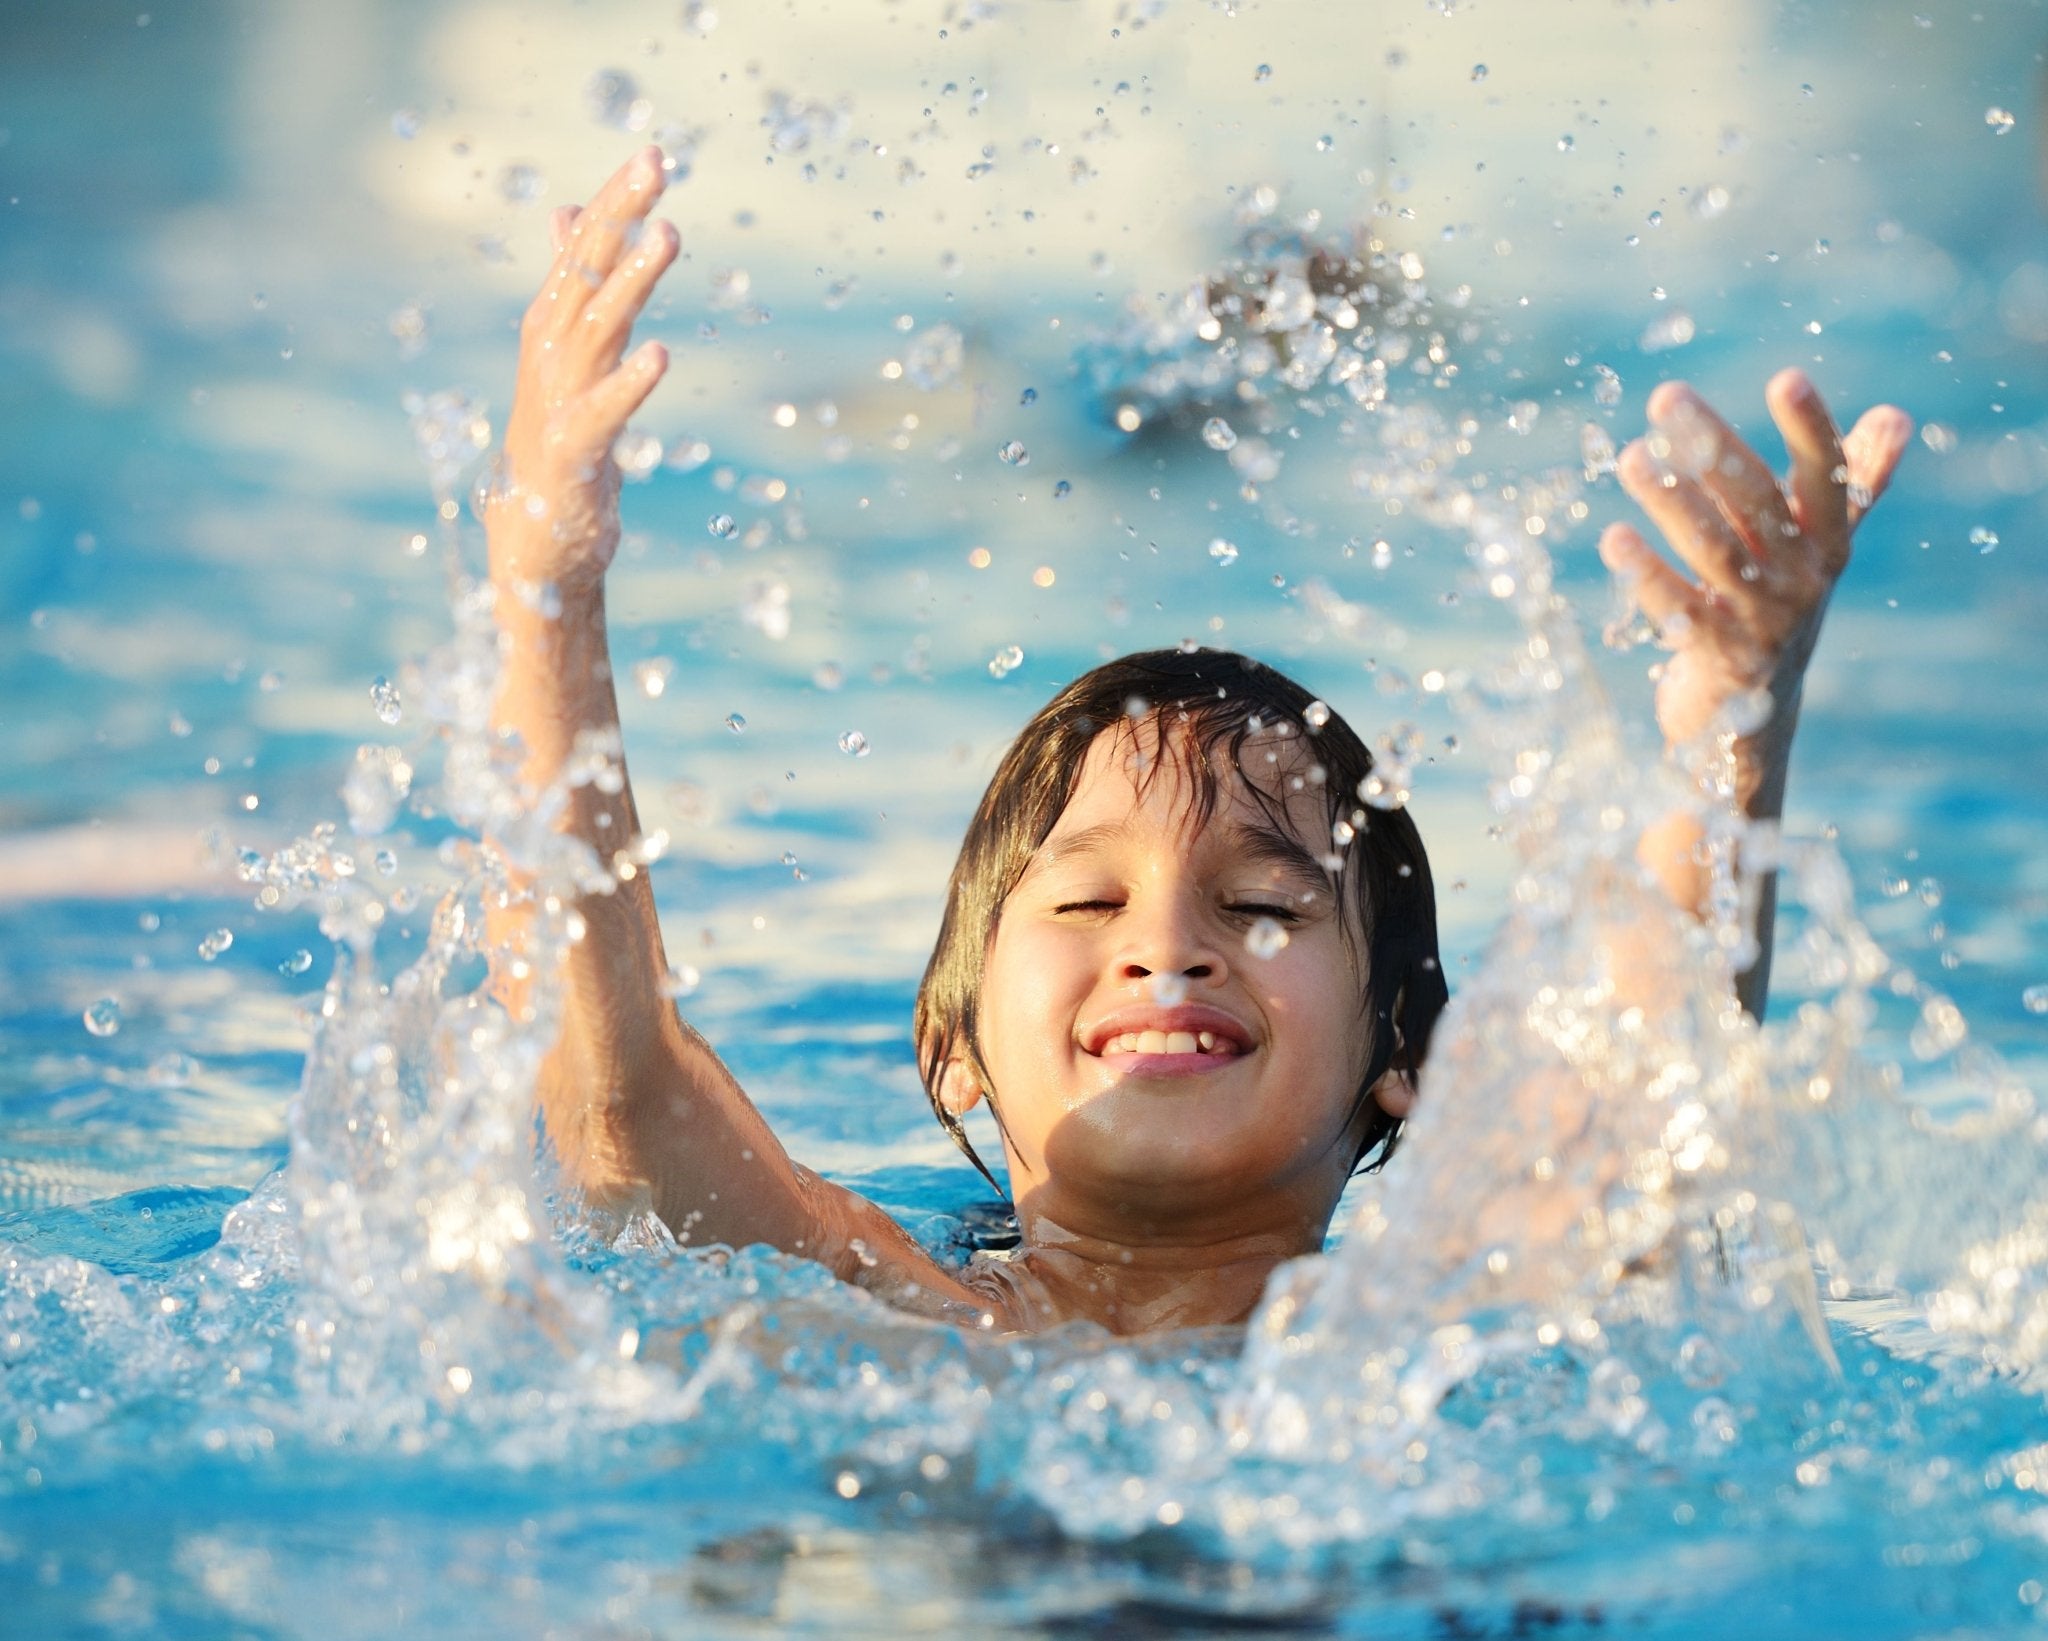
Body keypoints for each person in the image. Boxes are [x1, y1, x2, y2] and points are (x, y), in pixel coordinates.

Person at [480, 148, 1913, 1335]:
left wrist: (1732, 712)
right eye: (1089, 897)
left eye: (1266, 903)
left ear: (1402, 1058)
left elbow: (1645, 1102)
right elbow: (616, 1091)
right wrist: (544, 593)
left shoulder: (1441, 1331)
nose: (1168, 945)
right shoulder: (873, 1303)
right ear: (954, 1042)